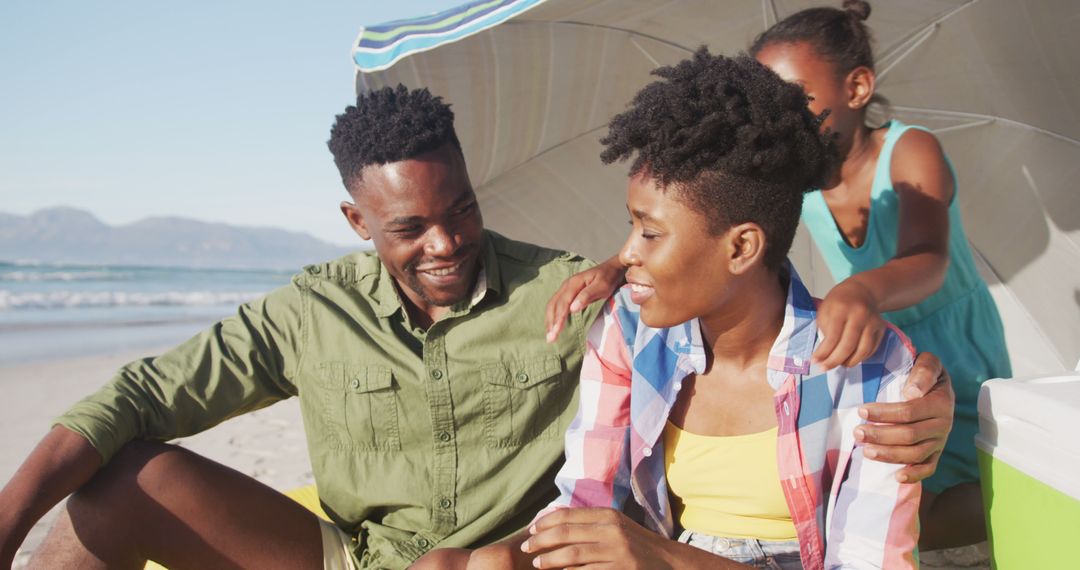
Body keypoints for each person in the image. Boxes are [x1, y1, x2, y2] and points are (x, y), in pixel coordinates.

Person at [0, 85, 949, 570]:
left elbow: (693, 291)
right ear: (358, 225)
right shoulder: (309, 308)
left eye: (460, 208)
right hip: (350, 559)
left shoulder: (585, 298)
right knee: (111, 488)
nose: (448, 242)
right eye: (410, 227)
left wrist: (928, 393)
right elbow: (140, 395)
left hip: (527, 564)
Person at [418, 48, 919, 570]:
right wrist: (511, 559)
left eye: (650, 232)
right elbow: (588, 499)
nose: (627, 253)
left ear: (742, 248)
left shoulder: (870, 369)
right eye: (633, 226)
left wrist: (665, 557)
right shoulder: (628, 332)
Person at [546, 0, 1008, 551]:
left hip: (930, 333)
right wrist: (617, 266)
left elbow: (930, 255)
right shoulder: (785, 181)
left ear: (857, 88)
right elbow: (702, 224)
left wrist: (860, 290)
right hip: (847, 327)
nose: (782, 115)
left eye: (797, 97)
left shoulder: (908, 151)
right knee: (905, 502)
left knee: (960, 482)